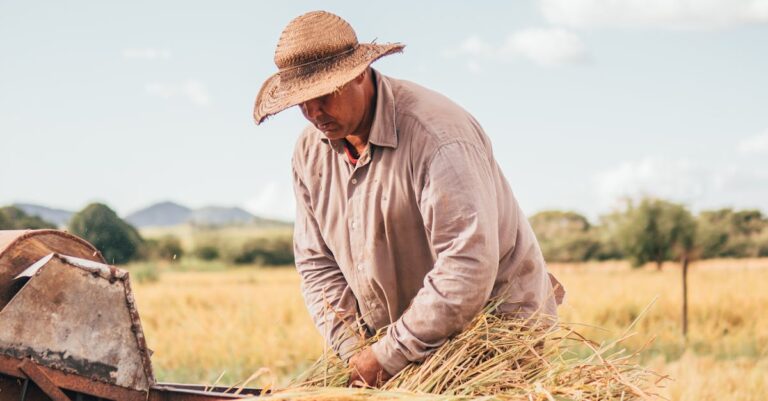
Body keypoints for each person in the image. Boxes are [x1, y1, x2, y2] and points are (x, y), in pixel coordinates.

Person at [253, 10, 565, 387]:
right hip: (399, 349)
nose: (313, 112)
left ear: (358, 74)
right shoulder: (310, 153)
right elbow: (317, 264)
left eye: (323, 95)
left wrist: (388, 355)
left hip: (490, 339)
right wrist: (356, 351)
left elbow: (466, 266)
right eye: (301, 101)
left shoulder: (437, 137)